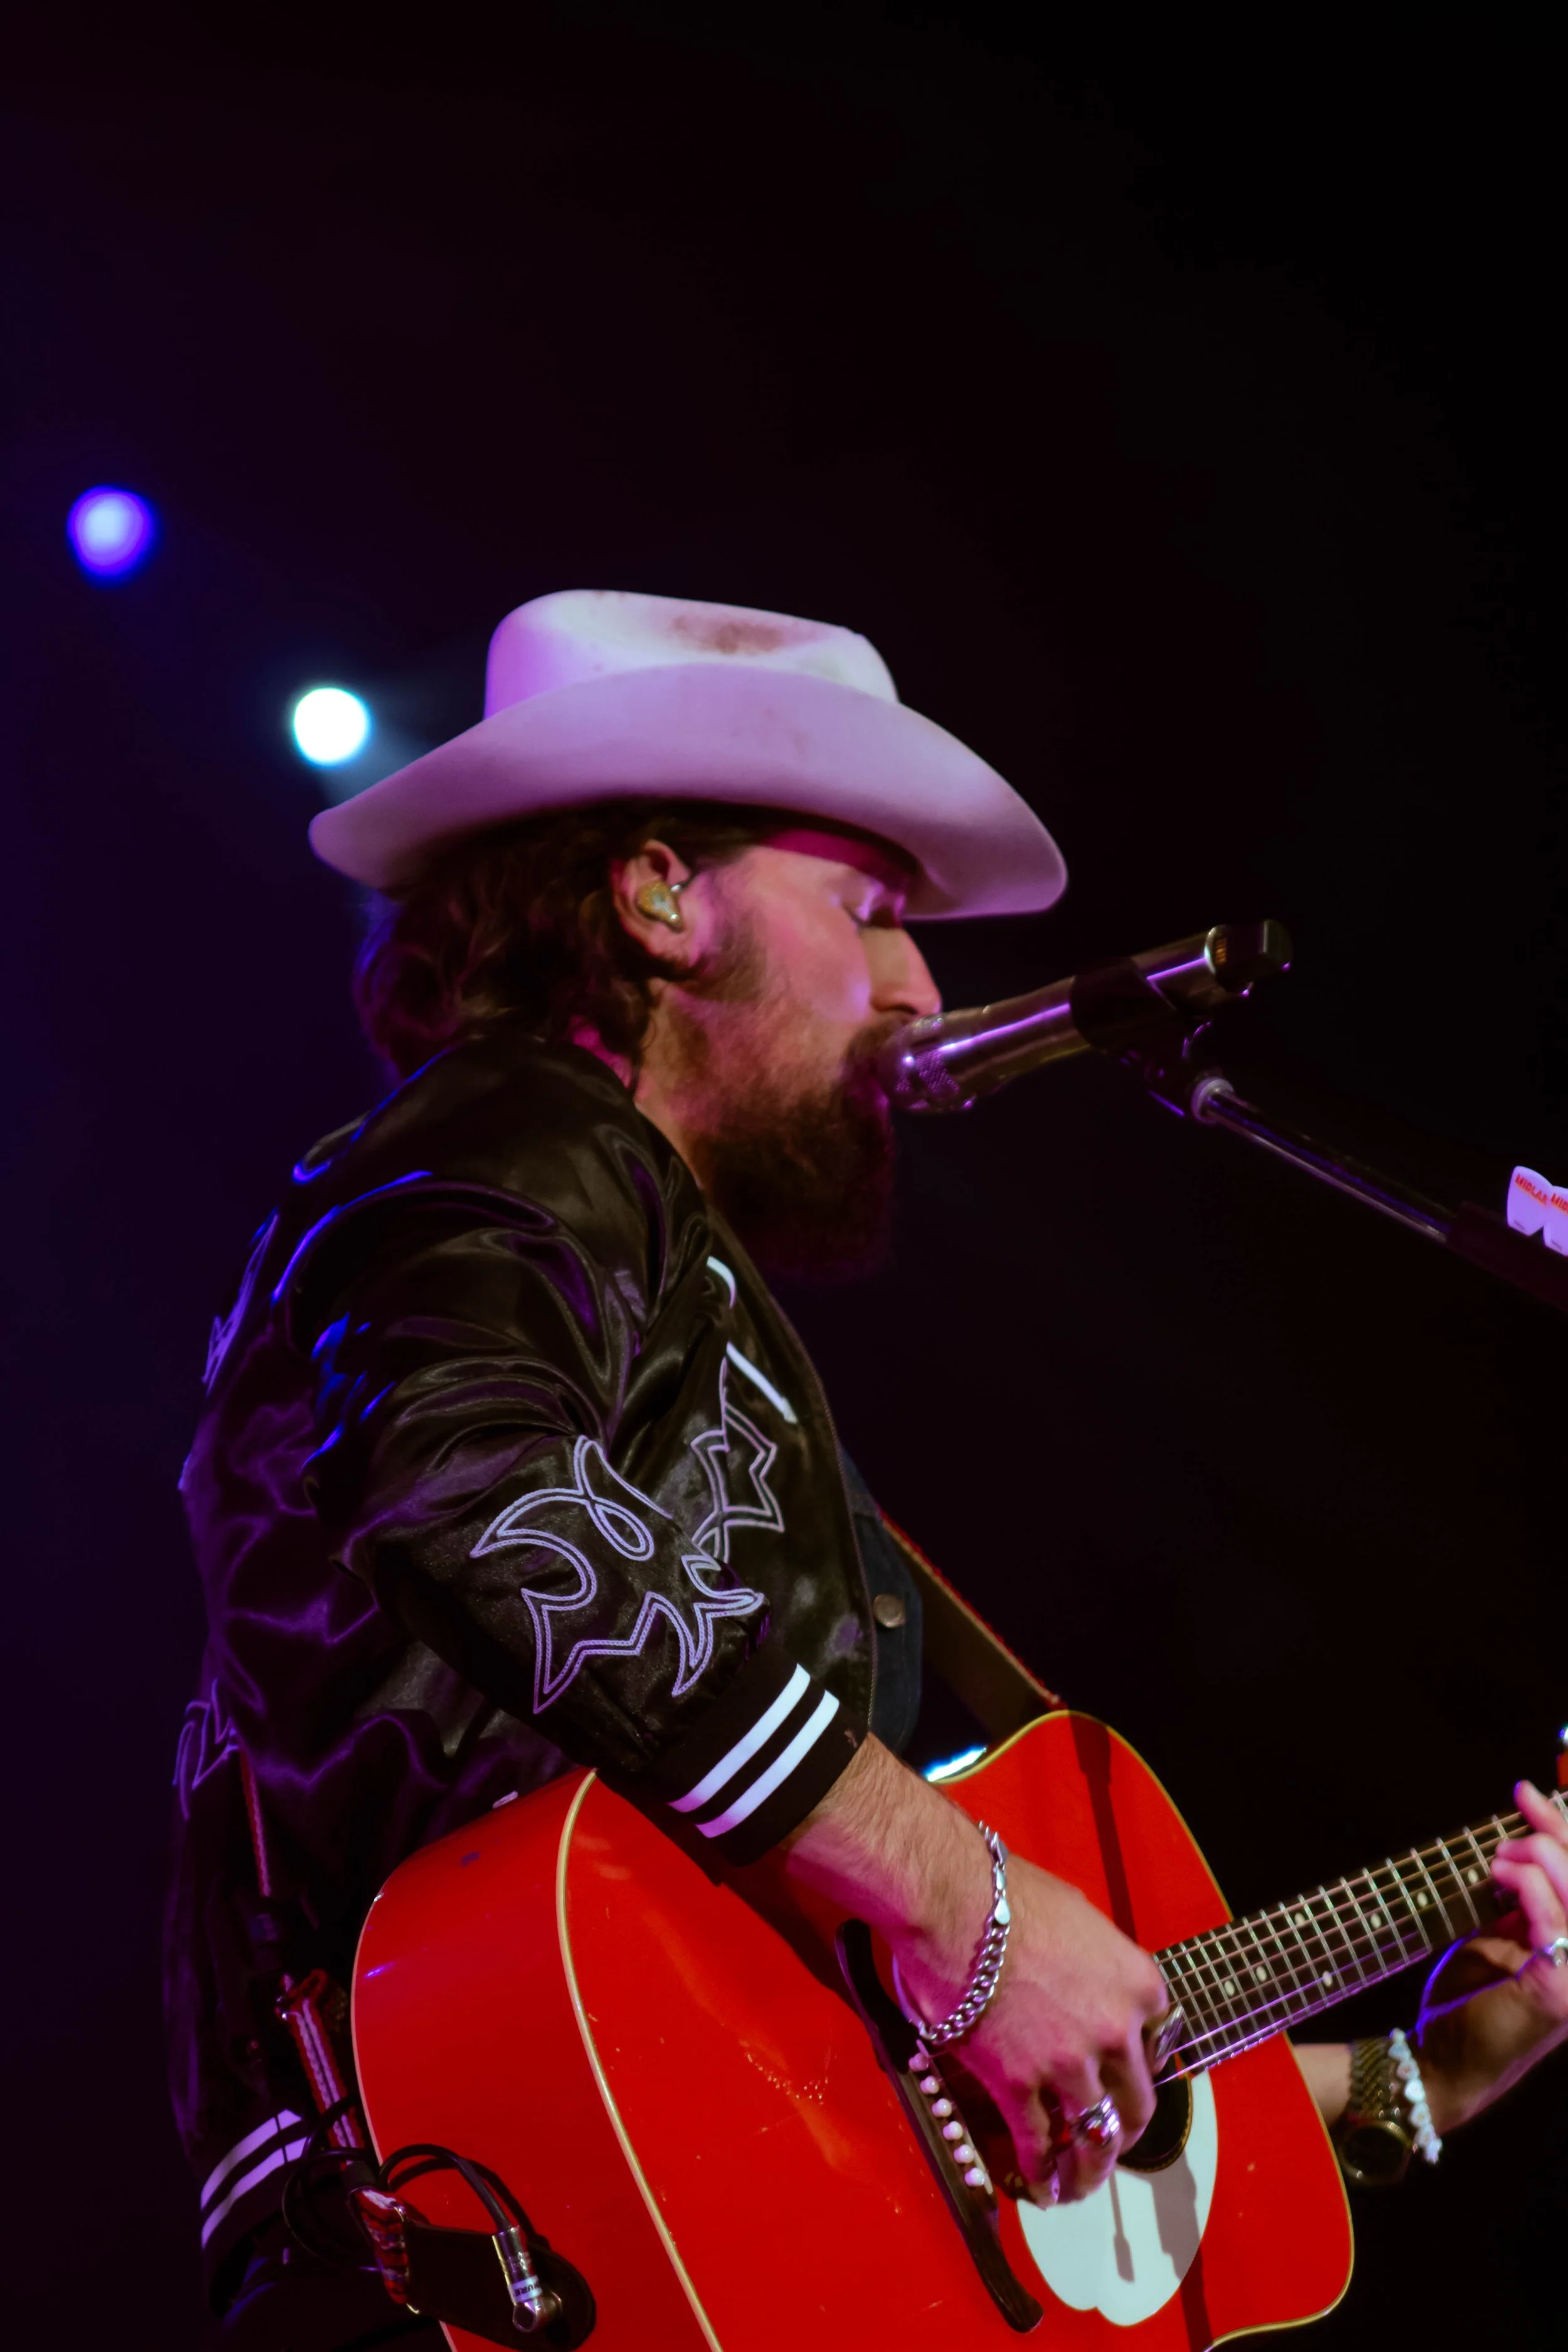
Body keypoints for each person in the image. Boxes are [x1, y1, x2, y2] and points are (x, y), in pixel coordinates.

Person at [167, 590, 1568, 2348]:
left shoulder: (672, 1291)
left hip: (621, 2212)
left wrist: (1440, 2068)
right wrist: (971, 1902)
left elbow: (866, 2076)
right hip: (470, 2204)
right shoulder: (517, 1136)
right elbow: (470, 1486)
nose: (917, 988)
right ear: (660, 895)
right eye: (874, 911)